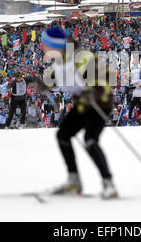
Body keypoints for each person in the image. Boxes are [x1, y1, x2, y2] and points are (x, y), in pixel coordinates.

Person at [36, 26, 117, 199]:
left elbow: (106, 75)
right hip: (82, 104)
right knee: (63, 135)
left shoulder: (81, 57)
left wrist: (95, 92)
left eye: (45, 43)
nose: (42, 46)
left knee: (90, 141)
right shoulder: (58, 60)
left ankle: (108, 183)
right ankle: (74, 181)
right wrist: (44, 83)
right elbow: (54, 78)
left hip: (99, 104)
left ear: (55, 44)